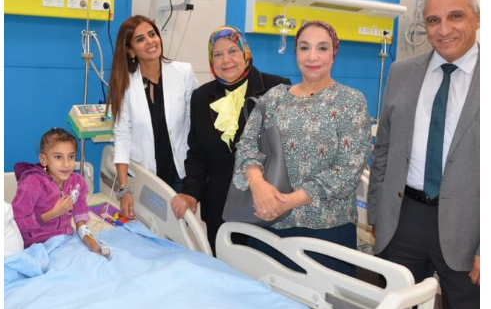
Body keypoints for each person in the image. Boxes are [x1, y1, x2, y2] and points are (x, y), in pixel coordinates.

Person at [367, 0, 480, 309]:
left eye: (455, 16)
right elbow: (383, 148)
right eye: (433, 20)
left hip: (469, 226)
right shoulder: (402, 72)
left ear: (477, 18)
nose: (443, 29)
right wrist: (377, 213)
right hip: (404, 219)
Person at [232, 21, 371, 273]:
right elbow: (247, 145)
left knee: (320, 297)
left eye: (322, 48)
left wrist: (290, 201)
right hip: (269, 224)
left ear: (334, 53)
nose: (312, 56)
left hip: (326, 231)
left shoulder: (351, 101)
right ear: (296, 52)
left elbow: (348, 169)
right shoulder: (274, 97)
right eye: (305, 47)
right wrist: (258, 184)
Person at [171, 25, 290, 252]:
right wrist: (190, 192)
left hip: (267, 202)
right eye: (218, 54)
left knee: (263, 266)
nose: (226, 60)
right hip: (220, 205)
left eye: (233, 51)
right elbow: (197, 154)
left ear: (245, 52)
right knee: (223, 265)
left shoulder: (276, 89)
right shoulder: (201, 97)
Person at [108, 15, 198, 218]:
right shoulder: (125, 84)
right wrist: (123, 189)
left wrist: (197, 177)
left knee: (179, 230)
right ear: (131, 51)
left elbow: (195, 124)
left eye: (152, 34)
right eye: (140, 39)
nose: (150, 41)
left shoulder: (183, 72)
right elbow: (122, 136)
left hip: (181, 173)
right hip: (145, 176)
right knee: (149, 228)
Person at [11, 128, 109, 257]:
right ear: (44, 160)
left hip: (64, 240)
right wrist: (51, 214)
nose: (67, 164)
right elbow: (14, 225)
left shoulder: (77, 182)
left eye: (71, 156)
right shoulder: (32, 184)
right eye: (58, 157)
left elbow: (80, 217)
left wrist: (91, 242)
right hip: (34, 245)